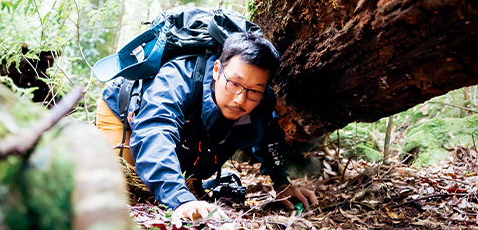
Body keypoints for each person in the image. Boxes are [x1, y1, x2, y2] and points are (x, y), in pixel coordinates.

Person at [96, 31, 318, 219]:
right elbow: (155, 131)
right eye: (234, 83)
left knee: (186, 177)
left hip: (192, 130)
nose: (240, 100)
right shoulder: (177, 79)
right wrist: (180, 199)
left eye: (254, 91)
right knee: (126, 186)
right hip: (124, 113)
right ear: (216, 70)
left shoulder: (261, 100)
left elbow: (270, 133)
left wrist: (282, 183)